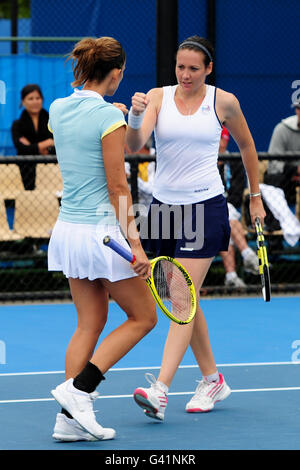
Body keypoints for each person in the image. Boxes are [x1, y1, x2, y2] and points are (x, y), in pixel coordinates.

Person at [126, 35, 265, 421]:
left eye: (193, 68)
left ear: (208, 69)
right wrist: (135, 115)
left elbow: (248, 147)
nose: (185, 74)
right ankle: (212, 379)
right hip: (164, 208)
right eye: (180, 67)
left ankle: (160, 390)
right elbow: (135, 143)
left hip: (205, 206)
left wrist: (255, 196)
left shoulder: (224, 102)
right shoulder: (156, 97)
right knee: (182, 297)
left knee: (183, 298)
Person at [47, 36, 157, 441]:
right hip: (102, 233)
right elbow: (117, 186)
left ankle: (67, 420)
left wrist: (113, 113)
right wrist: (138, 246)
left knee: (89, 322)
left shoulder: (57, 109)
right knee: (144, 316)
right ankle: (79, 390)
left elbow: (82, 130)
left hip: (68, 231)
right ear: (116, 74)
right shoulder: (110, 117)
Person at [218, 127, 259, 288]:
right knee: (225, 218)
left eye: (222, 139)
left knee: (225, 220)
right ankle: (247, 253)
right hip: (209, 210)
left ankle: (231, 275)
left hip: (229, 208)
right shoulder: (205, 163)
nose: (219, 143)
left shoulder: (234, 162)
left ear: (226, 140)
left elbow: (236, 192)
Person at [11, 84, 55, 190]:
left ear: (42, 99)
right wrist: (46, 143)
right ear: (23, 101)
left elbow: (57, 147)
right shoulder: (17, 125)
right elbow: (21, 149)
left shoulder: (52, 121)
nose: (35, 102)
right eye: (30, 98)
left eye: (38, 98)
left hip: (50, 173)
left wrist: (32, 146)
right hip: (26, 172)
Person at [264, 99, 300, 205]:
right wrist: (294, 171)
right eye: (298, 108)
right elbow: (273, 164)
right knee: (276, 179)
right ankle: (281, 219)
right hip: (286, 178)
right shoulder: (282, 129)